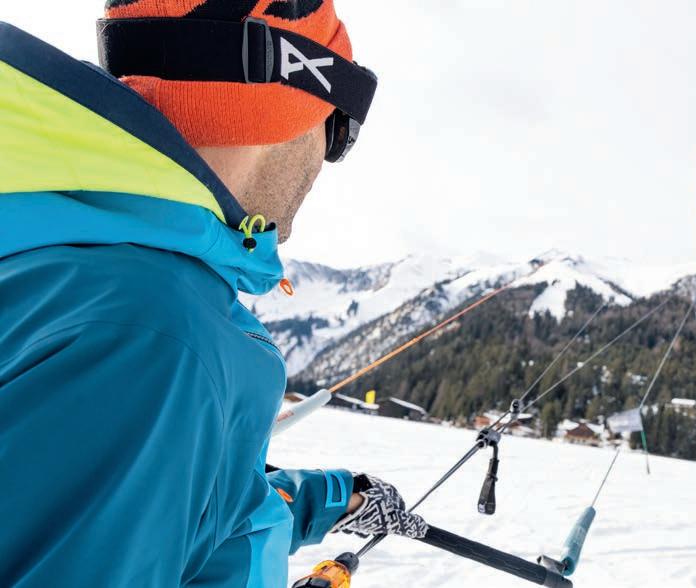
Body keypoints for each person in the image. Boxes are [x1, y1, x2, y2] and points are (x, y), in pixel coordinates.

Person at [0, 1, 426, 586]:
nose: (324, 161)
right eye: (336, 128)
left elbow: (186, 515)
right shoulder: (155, 337)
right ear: (284, 103)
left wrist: (331, 499)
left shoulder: (74, 263)